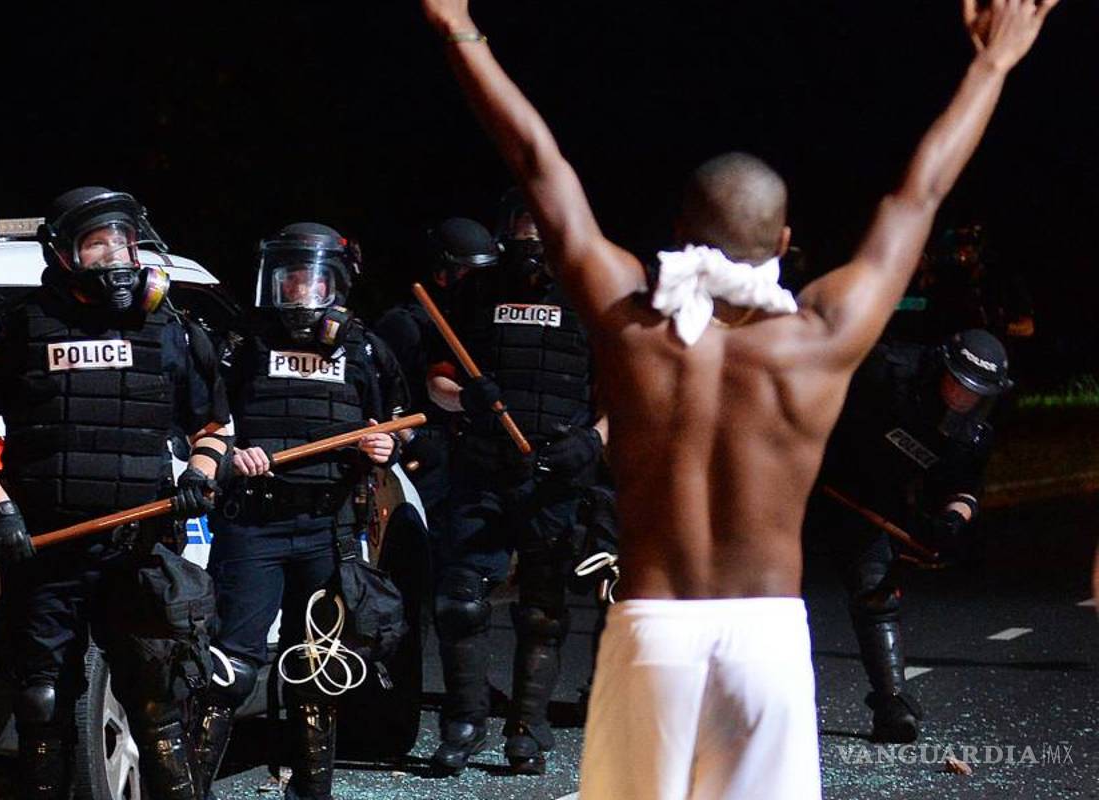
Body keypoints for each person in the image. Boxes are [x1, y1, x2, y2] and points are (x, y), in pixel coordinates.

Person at [421, 0, 1055, 796]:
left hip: (655, 631)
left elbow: (538, 164)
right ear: (786, 246)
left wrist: (458, 29)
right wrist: (991, 65)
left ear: (680, 231)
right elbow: (917, 197)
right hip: (765, 637)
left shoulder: (632, 323)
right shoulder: (818, 338)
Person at [0, 186, 232, 800]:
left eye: (122, 242)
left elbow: (214, 429)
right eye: (98, 244)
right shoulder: (18, 331)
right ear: (66, 255)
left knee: (156, 699)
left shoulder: (170, 331)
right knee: (43, 700)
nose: (115, 257)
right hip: (46, 550)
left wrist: (200, 478)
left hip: (138, 548)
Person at [190, 222, 408, 800]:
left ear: (334, 284)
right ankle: (185, 790)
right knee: (227, 670)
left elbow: (400, 427)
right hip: (251, 525)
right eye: (289, 282)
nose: (300, 295)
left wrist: (387, 447)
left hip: (327, 529)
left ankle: (310, 793)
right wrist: (232, 455)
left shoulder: (365, 350)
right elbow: (200, 423)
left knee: (316, 667)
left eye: (311, 282)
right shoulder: (241, 345)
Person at [425, 192, 607, 776]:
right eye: (525, 227)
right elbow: (436, 383)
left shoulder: (594, 299)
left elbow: (630, 395)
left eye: (545, 229)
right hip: (483, 468)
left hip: (556, 475)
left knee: (542, 612)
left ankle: (528, 727)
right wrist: (464, 400)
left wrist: (594, 442)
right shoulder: (474, 294)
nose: (534, 239)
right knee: (459, 603)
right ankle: (464, 723)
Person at [813, 329, 1012, 742]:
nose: (962, 397)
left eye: (974, 393)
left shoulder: (972, 435)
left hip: (872, 501)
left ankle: (892, 703)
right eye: (957, 383)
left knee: (875, 589)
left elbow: (964, 490)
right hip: (810, 477)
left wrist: (952, 521)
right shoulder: (887, 370)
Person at [374, 217, 499, 543]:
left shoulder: (474, 322)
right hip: (421, 451)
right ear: (442, 272)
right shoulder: (405, 324)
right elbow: (380, 395)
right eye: (467, 272)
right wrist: (412, 439)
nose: (477, 283)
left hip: (465, 453)